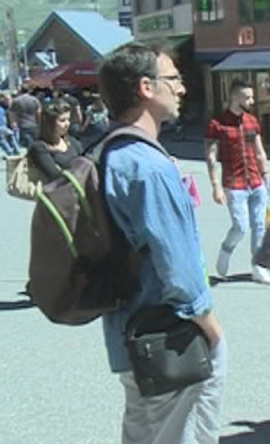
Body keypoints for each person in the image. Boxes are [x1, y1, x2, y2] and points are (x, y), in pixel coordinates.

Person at [98, 42, 226, 443]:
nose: (182, 89)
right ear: (146, 88)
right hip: (170, 338)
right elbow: (178, 266)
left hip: (129, 333)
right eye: (173, 79)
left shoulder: (108, 152)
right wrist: (208, 323)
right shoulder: (148, 167)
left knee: (142, 432)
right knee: (184, 433)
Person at [205, 79, 270, 284]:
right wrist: (215, 187)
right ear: (235, 97)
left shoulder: (252, 121)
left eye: (252, 97)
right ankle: (226, 250)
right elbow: (210, 157)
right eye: (247, 97)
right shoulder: (217, 124)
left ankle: (258, 267)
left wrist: (266, 176)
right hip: (234, 183)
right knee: (241, 226)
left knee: (260, 225)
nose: (252, 101)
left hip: (256, 181)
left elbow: (259, 151)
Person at [28, 101, 84, 180]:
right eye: (62, 120)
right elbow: (55, 175)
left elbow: (85, 161)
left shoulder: (72, 141)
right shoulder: (39, 147)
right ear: (49, 123)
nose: (67, 124)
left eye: (68, 119)